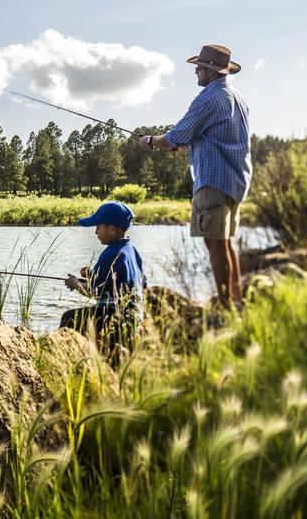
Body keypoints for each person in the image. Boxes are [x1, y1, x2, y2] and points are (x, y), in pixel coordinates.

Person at [147, 44, 252, 309]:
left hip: (213, 182)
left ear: (212, 71)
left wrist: (150, 141)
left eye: (200, 67)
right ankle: (237, 301)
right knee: (226, 243)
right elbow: (207, 136)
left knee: (215, 245)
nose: (195, 71)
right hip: (234, 181)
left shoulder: (210, 97)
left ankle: (226, 308)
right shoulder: (236, 97)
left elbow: (177, 135)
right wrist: (179, 144)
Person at [61, 201, 145, 350]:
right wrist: (91, 275)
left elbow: (94, 292)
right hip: (134, 318)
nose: (95, 232)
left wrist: (75, 283)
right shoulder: (131, 250)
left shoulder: (110, 253)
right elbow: (132, 283)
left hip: (115, 318)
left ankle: (71, 356)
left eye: (98, 227)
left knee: (69, 318)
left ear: (112, 230)